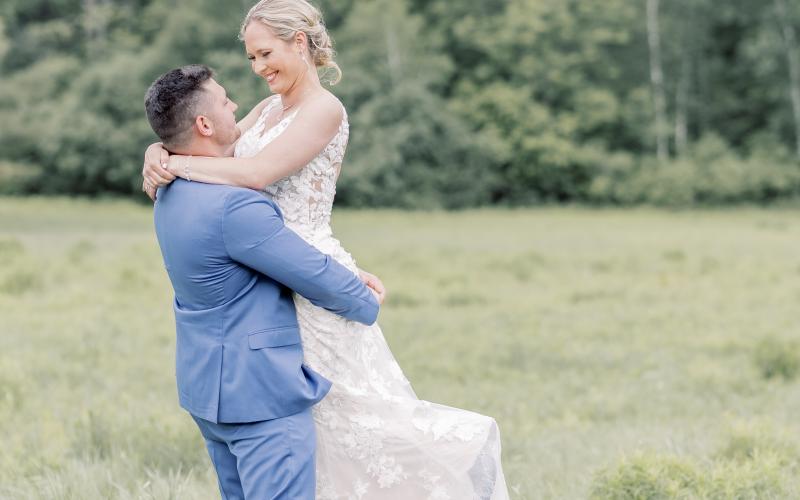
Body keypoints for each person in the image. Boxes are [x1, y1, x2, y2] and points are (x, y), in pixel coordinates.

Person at [142, 1, 510, 498]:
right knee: (303, 432)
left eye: (265, 53)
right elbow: (213, 142)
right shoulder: (269, 108)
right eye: (250, 58)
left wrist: (178, 166)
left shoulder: (325, 109)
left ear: (300, 42)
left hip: (305, 267)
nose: (258, 68)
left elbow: (254, 174)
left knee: (357, 423)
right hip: (264, 267)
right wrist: (159, 149)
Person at [144, 64, 386, 499]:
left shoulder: (168, 192)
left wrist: (157, 151)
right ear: (203, 124)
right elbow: (309, 272)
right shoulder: (233, 206)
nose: (234, 105)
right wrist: (363, 297)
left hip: (208, 389)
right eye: (223, 101)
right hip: (259, 394)